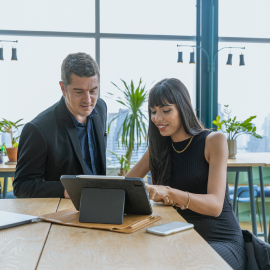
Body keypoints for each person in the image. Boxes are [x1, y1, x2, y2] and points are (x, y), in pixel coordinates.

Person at [126, 78, 247, 270]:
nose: (157, 118)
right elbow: (126, 184)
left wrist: (169, 192)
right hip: (178, 236)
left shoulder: (213, 141)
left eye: (166, 110)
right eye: (153, 111)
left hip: (220, 239)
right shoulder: (157, 148)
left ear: (183, 108)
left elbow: (215, 205)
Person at [13, 52, 107, 198]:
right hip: (60, 214)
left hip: (100, 205)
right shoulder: (38, 129)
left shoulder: (100, 108)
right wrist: (68, 190)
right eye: (79, 92)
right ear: (63, 88)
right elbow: (22, 186)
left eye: (93, 91)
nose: (88, 100)